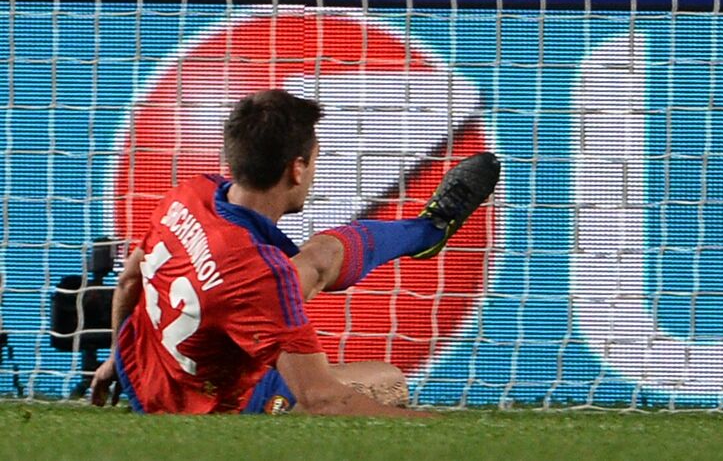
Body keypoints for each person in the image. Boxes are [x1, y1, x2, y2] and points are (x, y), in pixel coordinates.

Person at [89, 88, 500, 415]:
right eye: (316, 160)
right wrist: (444, 431)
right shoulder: (262, 274)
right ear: (297, 168)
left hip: (144, 368)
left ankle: (428, 229)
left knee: (317, 259)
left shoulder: (188, 195)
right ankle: (427, 231)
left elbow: (128, 280)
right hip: (209, 404)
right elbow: (321, 399)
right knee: (389, 380)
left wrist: (115, 361)